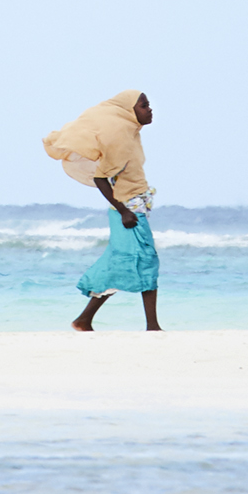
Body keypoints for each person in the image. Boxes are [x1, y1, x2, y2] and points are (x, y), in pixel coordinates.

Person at [43, 88, 162, 331]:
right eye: (144, 105)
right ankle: (152, 327)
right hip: (128, 211)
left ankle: (84, 320)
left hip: (134, 207)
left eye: (148, 105)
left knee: (122, 264)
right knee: (147, 261)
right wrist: (123, 211)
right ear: (130, 111)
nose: (149, 109)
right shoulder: (120, 137)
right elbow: (100, 178)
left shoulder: (130, 134)